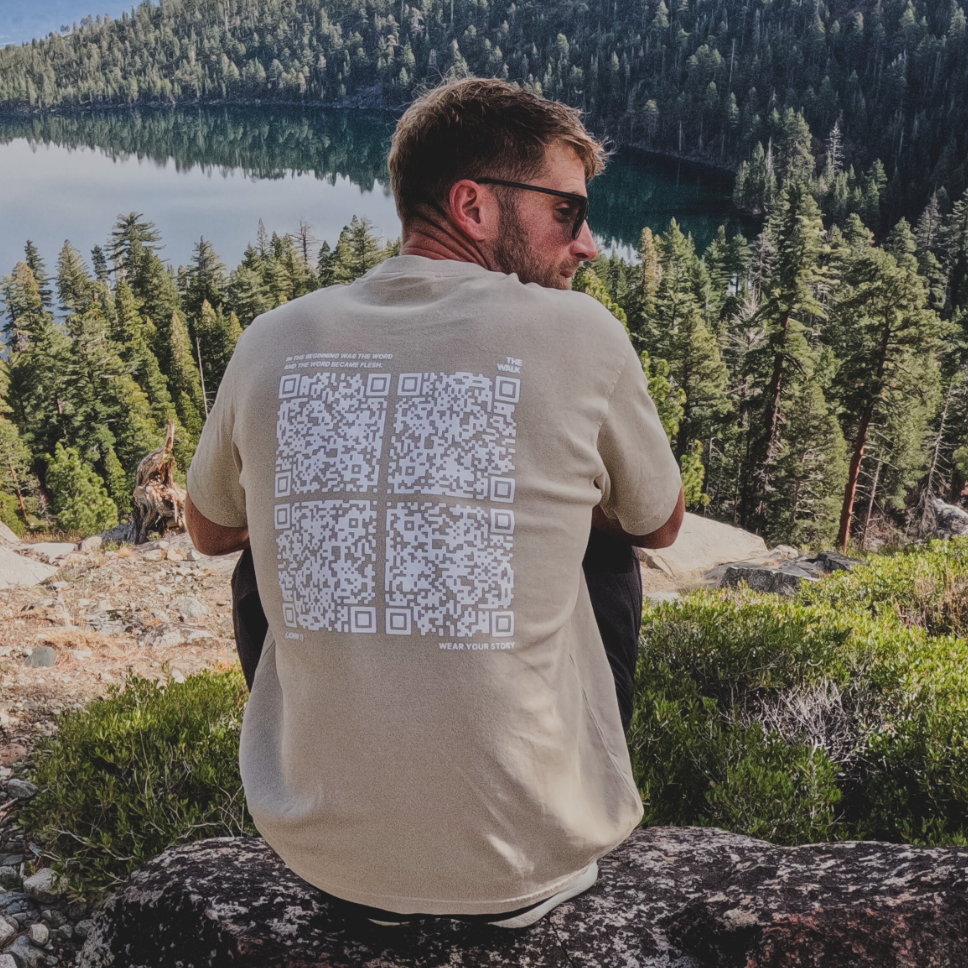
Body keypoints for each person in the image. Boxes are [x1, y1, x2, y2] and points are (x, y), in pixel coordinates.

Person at [186, 77, 684, 929]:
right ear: (473, 205)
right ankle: (539, 814)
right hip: (525, 868)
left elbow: (209, 528)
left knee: (259, 553)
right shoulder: (581, 335)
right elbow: (659, 522)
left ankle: (350, 810)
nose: (589, 244)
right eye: (567, 212)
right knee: (606, 550)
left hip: (327, 862)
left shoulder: (275, 336)